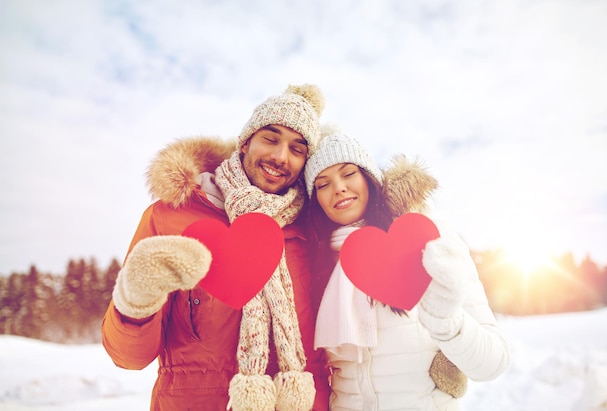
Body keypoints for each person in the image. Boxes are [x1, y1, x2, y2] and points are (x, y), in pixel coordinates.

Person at [101, 84, 331, 411]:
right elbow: (129, 357)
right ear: (245, 142)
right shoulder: (171, 219)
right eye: (270, 138)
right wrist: (136, 301)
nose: (281, 157)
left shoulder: (315, 229)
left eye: (298, 148)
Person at [303, 125, 510, 410]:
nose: (338, 187)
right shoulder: (317, 262)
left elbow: (493, 364)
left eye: (349, 173)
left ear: (370, 178)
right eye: (322, 184)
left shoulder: (430, 240)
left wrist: (445, 320)